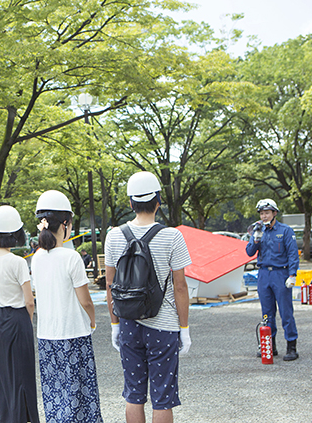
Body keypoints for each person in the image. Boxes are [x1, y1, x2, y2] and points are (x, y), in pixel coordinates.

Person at [105, 172, 192, 423]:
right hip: (163, 326)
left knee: (134, 395)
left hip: (128, 323)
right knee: (163, 396)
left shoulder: (114, 236)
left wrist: (114, 325)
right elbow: (180, 287)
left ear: (130, 203)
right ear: (158, 202)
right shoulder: (172, 236)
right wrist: (183, 328)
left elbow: (110, 284)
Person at [31, 190, 102, 423]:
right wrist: (92, 320)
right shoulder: (71, 258)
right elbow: (86, 301)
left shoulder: (37, 258)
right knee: (80, 400)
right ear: (65, 224)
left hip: (46, 338)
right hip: (74, 335)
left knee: (54, 398)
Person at [0, 205, 39, 423]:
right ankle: (24, 418)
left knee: (4, 375)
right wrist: (28, 322)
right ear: (15, 233)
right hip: (18, 319)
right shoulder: (17, 262)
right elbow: (29, 301)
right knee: (23, 374)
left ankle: (6, 418)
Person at [246, 198, 300, 361]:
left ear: (274, 213)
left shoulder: (285, 230)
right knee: (267, 313)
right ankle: (270, 346)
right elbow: (249, 252)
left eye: (267, 213)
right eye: (262, 213)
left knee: (286, 312)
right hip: (264, 274)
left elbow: (292, 254)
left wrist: (292, 274)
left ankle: (291, 347)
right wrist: (255, 238)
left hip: (280, 274)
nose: (264, 216)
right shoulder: (258, 230)